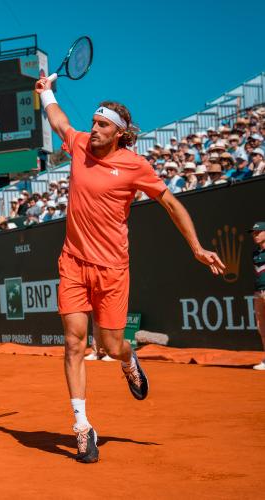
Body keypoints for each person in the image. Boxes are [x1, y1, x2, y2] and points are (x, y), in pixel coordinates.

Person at [35, 77, 225, 462]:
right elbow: (58, 121)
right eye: (94, 121)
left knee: (110, 345)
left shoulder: (135, 166)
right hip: (72, 262)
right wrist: (46, 92)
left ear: (120, 134)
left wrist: (196, 247)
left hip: (112, 269)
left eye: (103, 125)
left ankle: (128, 360)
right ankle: (82, 426)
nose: (95, 128)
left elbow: (171, 204)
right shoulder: (79, 145)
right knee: (74, 342)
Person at [250, 222, 265, 371]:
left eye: (258, 232)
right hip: (259, 293)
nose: (255, 235)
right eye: (253, 233)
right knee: (262, 327)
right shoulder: (255, 254)